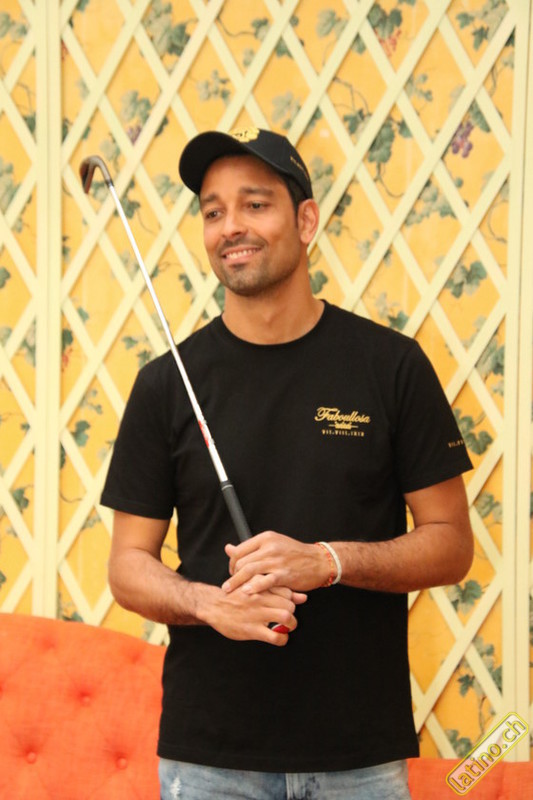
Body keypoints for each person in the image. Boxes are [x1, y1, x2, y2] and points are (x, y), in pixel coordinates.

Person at [101, 127, 474, 800]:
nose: (230, 227)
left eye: (254, 204)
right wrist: (208, 604)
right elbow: (127, 565)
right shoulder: (166, 383)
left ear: (305, 221)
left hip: (358, 758)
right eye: (213, 211)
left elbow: (451, 545)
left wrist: (326, 561)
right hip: (210, 759)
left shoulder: (390, 366)